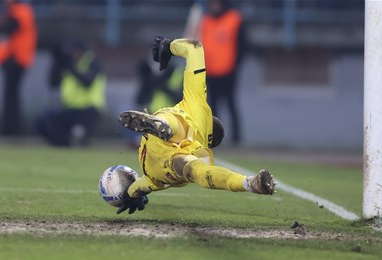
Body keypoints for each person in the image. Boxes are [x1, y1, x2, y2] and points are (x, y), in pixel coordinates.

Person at [116, 37, 276, 214]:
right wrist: (131, 194)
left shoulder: (198, 105)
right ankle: (249, 183)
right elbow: (144, 184)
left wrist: (169, 46)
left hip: (165, 130)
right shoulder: (201, 149)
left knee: (178, 124)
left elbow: (194, 47)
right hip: (164, 164)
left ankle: (164, 125)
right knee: (195, 171)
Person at [36, 41, 106, 147]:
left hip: (89, 109)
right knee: (43, 121)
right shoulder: (68, 64)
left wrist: (70, 67)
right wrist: (57, 64)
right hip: (70, 109)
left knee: (78, 131)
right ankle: (64, 146)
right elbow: (53, 83)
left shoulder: (91, 62)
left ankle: (79, 141)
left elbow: (87, 82)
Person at [199, 0, 246, 143]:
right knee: (212, 107)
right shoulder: (206, 20)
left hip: (228, 71)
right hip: (210, 71)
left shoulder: (234, 19)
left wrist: (235, 65)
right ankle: (212, 138)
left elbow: (243, 45)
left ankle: (236, 139)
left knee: (230, 103)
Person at [0, 0, 37, 136]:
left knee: (11, 95)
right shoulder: (14, 11)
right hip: (13, 59)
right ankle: (10, 129)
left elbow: (9, 27)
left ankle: (12, 129)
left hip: (17, 59)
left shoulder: (21, 11)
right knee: (10, 95)